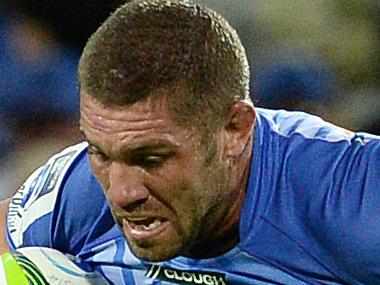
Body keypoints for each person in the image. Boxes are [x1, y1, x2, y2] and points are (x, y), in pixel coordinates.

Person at [1, 0, 380, 284]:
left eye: (151, 158)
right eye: (101, 152)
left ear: (235, 129)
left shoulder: (353, 198)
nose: (121, 193)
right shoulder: (78, 193)